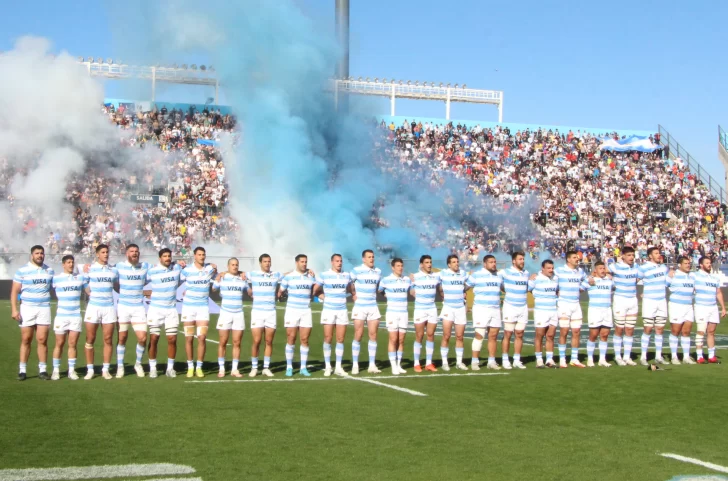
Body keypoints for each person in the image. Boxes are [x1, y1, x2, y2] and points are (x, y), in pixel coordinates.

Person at [11, 245, 54, 381]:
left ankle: (43, 370)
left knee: (42, 339)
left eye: (42, 253)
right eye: (37, 253)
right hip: (27, 308)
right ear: (32, 255)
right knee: (26, 339)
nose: (40, 255)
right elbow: (15, 291)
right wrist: (14, 309)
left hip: (44, 308)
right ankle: (22, 370)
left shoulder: (49, 270)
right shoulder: (22, 271)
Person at [115, 244, 152, 378]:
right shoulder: (119, 267)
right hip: (123, 307)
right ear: (126, 253)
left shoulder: (145, 267)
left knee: (142, 338)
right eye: (132, 251)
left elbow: (161, 267)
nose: (134, 253)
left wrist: (178, 263)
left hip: (138, 307)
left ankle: (138, 363)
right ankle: (120, 366)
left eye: (136, 251)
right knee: (122, 338)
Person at [146, 248, 183, 378]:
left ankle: (170, 368)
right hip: (155, 309)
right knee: (154, 338)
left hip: (171, 309)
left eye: (169, 256)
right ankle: (152, 368)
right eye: (164, 256)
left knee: (172, 339)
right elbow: (139, 280)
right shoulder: (152, 271)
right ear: (160, 258)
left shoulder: (177, 268)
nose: (167, 258)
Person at [83, 244, 119, 380]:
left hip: (109, 307)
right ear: (97, 254)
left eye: (107, 252)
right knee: (90, 338)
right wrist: (89, 293)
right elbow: (84, 283)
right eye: (103, 252)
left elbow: (116, 286)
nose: (106, 254)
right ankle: (90, 369)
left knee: (108, 339)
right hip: (93, 307)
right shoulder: (90, 269)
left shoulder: (113, 271)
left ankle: (105, 369)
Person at [180, 246, 217, 378]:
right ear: (194, 256)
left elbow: (223, 274)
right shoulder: (187, 270)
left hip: (203, 308)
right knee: (189, 338)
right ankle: (190, 367)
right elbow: (175, 279)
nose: (202, 256)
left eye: (203, 254)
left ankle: (199, 367)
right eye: (199, 254)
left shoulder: (210, 269)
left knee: (202, 337)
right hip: (189, 308)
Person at [314, 254, 352, 377]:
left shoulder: (346, 276)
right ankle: (328, 366)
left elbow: (352, 289)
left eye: (341, 261)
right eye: (337, 261)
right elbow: (315, 290)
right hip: (329, 310)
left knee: (340, 339)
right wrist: (322, 297)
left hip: (342, 310)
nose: (339, 263)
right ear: (332, 262)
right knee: (328, 338)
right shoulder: (324, 275)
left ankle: (339, 367)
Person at [50, 255, 87, 380]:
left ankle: (71, 371)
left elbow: (89, 290)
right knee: (59, 343)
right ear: (63, 264)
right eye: (68, 262)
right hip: (61, 316)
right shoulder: (56, 279)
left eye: (72, 262)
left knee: (72, 344)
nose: (71, 264)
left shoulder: (80, 278)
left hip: (75, 316)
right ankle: (56, 370)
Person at [279, 254, 316, 377]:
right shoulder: (289, 277)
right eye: (302, 261)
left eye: (306, 261)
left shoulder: (311, 277)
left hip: (306, 311)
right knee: (291, 338)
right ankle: (289, 366)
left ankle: (303, 367)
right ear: (296, 263)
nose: (304, 264)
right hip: (292, 311)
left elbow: (313, 291)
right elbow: (280, 291)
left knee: (305, 339)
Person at [247, 254, 282, 377]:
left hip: (271, 312)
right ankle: (254, 367)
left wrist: (307, 269)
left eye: (269, 261)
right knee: (256, 341)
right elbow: (236, 272)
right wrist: (222, 273)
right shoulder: (253, 274)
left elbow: (290, 275)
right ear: (260, 263)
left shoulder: (275, 275)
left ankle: (266, 367)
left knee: (269, 341)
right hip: (257, 312)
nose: (267, 263)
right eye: (265, 261)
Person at [465, 255, 503, 370]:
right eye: (491, 262)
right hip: (481, 309)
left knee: (493, 335)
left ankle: (491, 361)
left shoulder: (498, 275)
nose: (494, 264)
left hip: (495, 308)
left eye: (495, 262)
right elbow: (465, 287)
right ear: (484, 264)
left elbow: (504, 288)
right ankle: (475, 362)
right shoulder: (476, 275)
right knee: (479, 335)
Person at [212, 258, 247, 378]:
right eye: (232, 265)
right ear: (228, 266)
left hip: (238, 313)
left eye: (237, 265)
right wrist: (218, 278)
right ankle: (221, 369)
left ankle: (234, 369)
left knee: (237, 342)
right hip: (225, 313)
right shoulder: (222, 277)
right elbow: (214, 289)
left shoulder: (242, 278)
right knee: (223, 341)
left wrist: (244, 276)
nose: (235, 267)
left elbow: (250, 291)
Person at [350, 249, 383, 375]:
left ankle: (372, 364)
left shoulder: (378, 271)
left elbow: (379, 287)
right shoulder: (356, 270)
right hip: (360, 306)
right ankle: (355, 364)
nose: (371, 259)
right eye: (369, 257)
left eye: (373, 257)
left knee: (373, 335)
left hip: (373, 306)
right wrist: (353, 294)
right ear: (363, 259)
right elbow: (349, 282)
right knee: (358, 334)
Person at [378, 258, 412, 374]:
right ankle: (393, 366)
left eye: (401, 265)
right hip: (392, 313)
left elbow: (412, 291)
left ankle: (399, 365)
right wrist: (386, 296)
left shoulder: (407, 280)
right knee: (393, 339)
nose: (400, 268)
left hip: (404, 313)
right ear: (393, 267)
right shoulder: (386, 280)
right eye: (398, 266)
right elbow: (380, 291)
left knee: (401, 340)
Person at [608, 246, 640, 366]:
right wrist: (611, 281)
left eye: (633, 255)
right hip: (620, 300)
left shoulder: (636, 267)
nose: (631, 258)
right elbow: (603, 271)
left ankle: (627, 356)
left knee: (630, 329)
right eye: (629, 255)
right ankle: (617, 356)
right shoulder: (615, 266)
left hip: (632, 300)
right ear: (623, 256)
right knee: (619, 329)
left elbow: (640, 277)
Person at [637, 247, 669, 365]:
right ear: (650, 256)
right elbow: (635, 280)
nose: (659, 255)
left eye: (659, 253)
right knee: (648, 328)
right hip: (649, 301)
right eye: (656, 253)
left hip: (661, 300)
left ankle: (658, 356)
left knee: (660, 329)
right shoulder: (643, 267)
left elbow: (667, 282)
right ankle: (643, 356)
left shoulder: (664, 267)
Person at [438, 254, 471, 370]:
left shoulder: (463, 273)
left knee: (460, 336)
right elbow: (436, 284)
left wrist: (464, 290)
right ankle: (445, 362)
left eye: (457, 261)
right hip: (448, 308)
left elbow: (470, 283)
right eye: (454, 262)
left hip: (460, 308)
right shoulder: (442, 273)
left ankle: (459, 362)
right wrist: (441, 294)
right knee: (446, 335)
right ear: (449, 264)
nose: (456, 263)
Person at [410, 255, 442, 372]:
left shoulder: (436, 276)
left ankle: (429, 363)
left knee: (430, 335)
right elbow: (412, 292)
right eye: (427, 262)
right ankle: (416, 363)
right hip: (420, 309)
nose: (429, 264)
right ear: (421, 264)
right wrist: (413, 287)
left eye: (430, 262)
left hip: (432, 308)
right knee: (419, 335)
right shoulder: (415, 276)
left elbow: (440, 288)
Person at [554, 251, 586, 368]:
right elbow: (550, 279)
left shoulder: (580, 271)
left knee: (576, 332)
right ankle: (562, 359)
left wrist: (581, 288)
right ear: (568, 259)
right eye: (574, 257)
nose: (577, 259)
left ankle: (574, 358)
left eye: (577, 257)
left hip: (576, 304)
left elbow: (587, 280)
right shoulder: (559, 270)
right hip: (564, 304)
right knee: (564, 331)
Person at [499, 251, 530, 370]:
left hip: (523, 307)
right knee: (507, 333)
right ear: (514, 261)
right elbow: (500, 285)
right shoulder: (505, 272)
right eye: (520, 259)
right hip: (510, 307)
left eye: (523, 259)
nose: (522, 261)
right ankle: (505, 359)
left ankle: (517, 360)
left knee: (520, 334)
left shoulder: (526, 273)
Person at [693, 256, 726, 364]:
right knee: (701, 331)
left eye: (710, 263)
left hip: (713, 307)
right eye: (707, 263)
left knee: (711, 331)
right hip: (701, 306)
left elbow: (718, 292)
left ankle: (711, 356)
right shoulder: (695, 276)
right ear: (701, 265)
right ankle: (699, 356)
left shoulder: (714, 278)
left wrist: (723, 308)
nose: (709, 264)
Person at [582, 261, 614, 367]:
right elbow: (580, 288)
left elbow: (616, 286)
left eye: (604, 268)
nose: (603, 270)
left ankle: (602, 359)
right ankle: (590, 359)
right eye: (600, 268)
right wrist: (589, 277)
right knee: (593, 335)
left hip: (607, 310)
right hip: (595, 310)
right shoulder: (590, 280)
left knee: (604, 335)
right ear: (595, 270)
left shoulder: (609, 281)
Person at [529, 260, 559, 369]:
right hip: (541, 311)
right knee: (539, 335)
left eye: (552, 268)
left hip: (553, 310)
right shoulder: (536, 278)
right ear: (543, 268)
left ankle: (550, 360)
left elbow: (557, 291)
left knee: (550, 335)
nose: (551, 270)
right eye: (548, 268)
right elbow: (527, 289)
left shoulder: (555, 278)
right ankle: (539, 360)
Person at [666, 256, 695, 364]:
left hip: (688, 305)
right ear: (680, 265)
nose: (688, 265)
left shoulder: (692, 276)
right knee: (675, 331)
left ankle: (686, 357)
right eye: (686, 263)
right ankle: (674, 356)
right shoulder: (673, 274)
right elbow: (665, 284)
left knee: (686, 331)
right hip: (676, 305)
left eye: (689, 263)